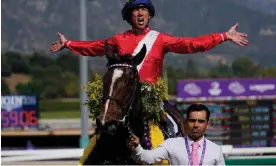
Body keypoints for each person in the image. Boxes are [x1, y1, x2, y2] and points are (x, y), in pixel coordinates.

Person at [49, 0, 247, 164]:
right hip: (123, 99)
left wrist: (223, 36)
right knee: (102, 131)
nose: (140, 14)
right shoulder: (118, 40)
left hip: (152, 100)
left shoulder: (160, 39)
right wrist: (68, 44)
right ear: (129, 17)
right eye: (135, 10)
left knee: (173, 123)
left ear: (149, 15)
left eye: (143, 9)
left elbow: (191, 44)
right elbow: (93, 47)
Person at [128, 103, 226, 165]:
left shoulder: (216, 150)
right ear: (185, 122)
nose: (196, 125)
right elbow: (147, 158)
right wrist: (137, 147)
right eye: (192, 120)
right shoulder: (171, 144)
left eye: (200, 121)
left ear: (207, 124)